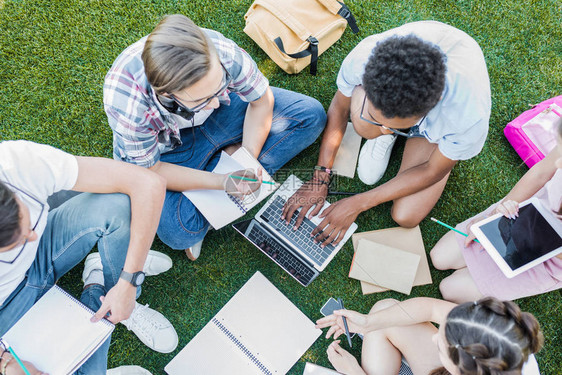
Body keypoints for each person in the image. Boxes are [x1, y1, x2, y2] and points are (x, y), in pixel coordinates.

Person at [104, 14, 327, 260]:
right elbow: (151, 170)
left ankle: (224, 164)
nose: (213, 103)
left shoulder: (219, 51)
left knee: (311, 115)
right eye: (201, 99)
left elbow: (261, 102)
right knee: (179, 233)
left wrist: (244, 160)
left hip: (226, 117)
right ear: (167, 94)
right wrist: (222, 181)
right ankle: (218, 166)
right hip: (169, 152)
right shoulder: (128, 105)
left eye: (220, 87)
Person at [282, 21, 491, 247]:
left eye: (391, 127)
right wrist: (320, 177)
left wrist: (358, 203)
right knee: (365, 125)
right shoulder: (365, 56)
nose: (381, 129)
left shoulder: (467, 117)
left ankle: (437, 145)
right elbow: (340, 109)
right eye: (378, 119)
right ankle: (385, 128)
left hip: (437, 130)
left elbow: (433, 170)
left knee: (406, 216)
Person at [0, 140, 178, 375]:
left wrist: (128, 281)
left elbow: (148, 183)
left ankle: (123, 302)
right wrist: (7, 365)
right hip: (7, 314)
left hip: (42, 258)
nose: (33, 235)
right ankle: (96, 287)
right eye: (17, 241)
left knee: (115, 206)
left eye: (26, 219)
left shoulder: (13, 164)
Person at [430, 118, 562, 303]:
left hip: (549, 256)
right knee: (439, 257)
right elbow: (541, 173)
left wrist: (523, 240)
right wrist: (499, 212)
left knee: (450, 290)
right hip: (527, 211)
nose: (559, 165)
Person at [315, 296, 543, 375]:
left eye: (441, 346)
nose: (434, 338)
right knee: (385, 310)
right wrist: (368, 323)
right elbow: (431, 309)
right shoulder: (485, 326)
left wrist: (355, 372)